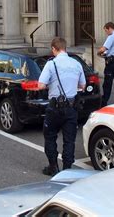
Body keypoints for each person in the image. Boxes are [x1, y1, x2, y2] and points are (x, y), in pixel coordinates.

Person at [38, 37, 86, 176]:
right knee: (69, 140)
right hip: (71, 107)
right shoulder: (76, 63)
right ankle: (67, 170)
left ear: (54, 49)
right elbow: (83, 86)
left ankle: (53, 167)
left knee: (50, 137)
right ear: (65, 48)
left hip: (54, 108)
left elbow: (41, 85)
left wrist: (50, 85)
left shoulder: (51, 64)